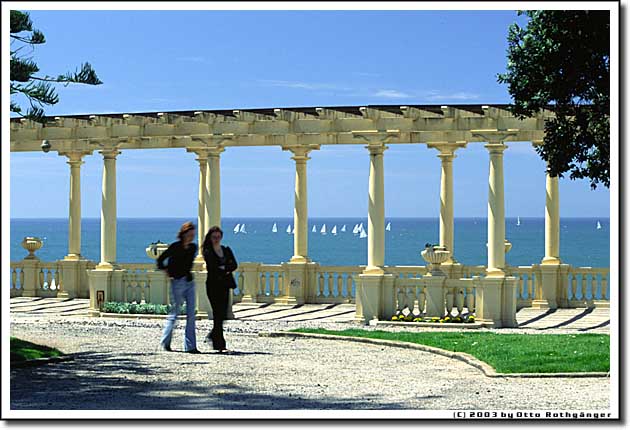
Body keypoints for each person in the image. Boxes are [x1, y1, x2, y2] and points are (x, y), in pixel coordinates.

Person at [157, 221, 200, 353]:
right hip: (177, 282)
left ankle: (190, 346)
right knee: (175, 313)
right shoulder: (175, 247)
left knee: (191, 314)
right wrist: (168, 272)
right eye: (190, 234)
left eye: (193, 234)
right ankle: (165, 342)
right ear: (184, 233)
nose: (192, 237)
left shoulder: (193, 247)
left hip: (189, 281)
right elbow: (160, 261)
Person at [202, 225, 238, 353]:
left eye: (218, 237)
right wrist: (224, 268)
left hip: (225, 285)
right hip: (213, 286)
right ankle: (220, 344)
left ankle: (213, 336)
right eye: (214, 237)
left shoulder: (226, 250)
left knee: (223, 314)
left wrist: (224, 269)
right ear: (210, 238)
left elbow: (234, 265)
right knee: (218, 313)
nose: (216, 239)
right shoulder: (207, 251)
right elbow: (213, 268)